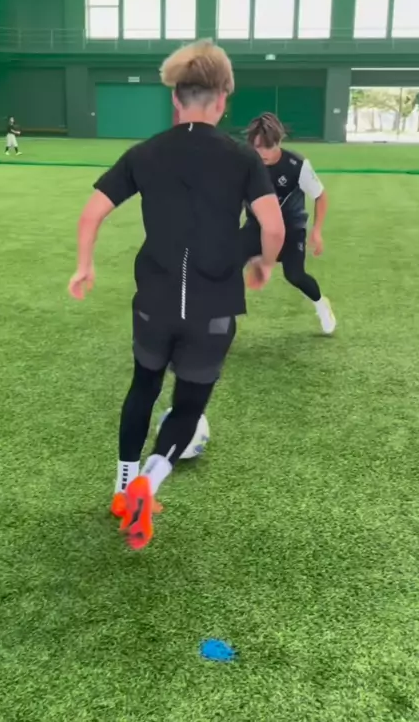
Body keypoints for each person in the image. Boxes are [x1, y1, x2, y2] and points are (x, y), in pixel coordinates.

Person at [68, 41, 285, 550]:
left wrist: (84, 264)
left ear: (175, 99)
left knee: (143, 387)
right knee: (188, 405)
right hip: (213, 308)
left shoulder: (145, 153)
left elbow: (91, 213)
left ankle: (122, 488)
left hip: (155, 302)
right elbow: (272, 227)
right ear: (223, 99)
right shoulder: (242, 158)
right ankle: (151, 479)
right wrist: (263, 263)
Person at [241, 112, 336, 335]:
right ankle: (220, 321)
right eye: (257, 147)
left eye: (268, 146)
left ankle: (321, 304)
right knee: (226, 263)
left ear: (279, 141)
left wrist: (317, 231)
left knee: (294, 275)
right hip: (256, 227)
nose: (262, 153)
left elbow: (320, 196)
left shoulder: (297, 165)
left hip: (291, 230)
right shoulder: (245, 164)